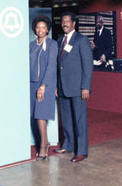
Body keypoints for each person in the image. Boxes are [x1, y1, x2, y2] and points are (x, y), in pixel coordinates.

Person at [53, 12, 93, 163]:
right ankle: (68, 145)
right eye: (63, 21)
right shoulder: (59, 41)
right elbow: (59, 66)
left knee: (79, 120)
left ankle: (82, 150)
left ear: (74, 23)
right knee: (67, 119)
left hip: (78, 88)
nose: (65, 23)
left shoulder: (81, 40)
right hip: (63, 87)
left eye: (68, 21)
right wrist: (57, 85)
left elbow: (88, 65)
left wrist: (86, 87)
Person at [29, 14, 58, 161]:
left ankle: (43, 146)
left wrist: (43, 86)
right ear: (35, 29)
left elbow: (51, 65)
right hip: (32, 82)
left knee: (41, 115)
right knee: (35, 116)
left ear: (47, 30)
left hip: (45, 83)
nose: (40, 30)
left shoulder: (52, 44)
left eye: (43, 27)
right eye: (38, 27)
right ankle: (45, 141)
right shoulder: (32, 45)